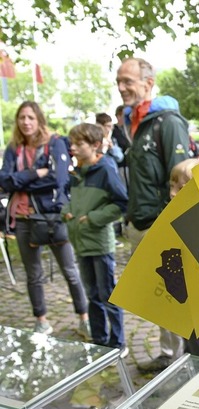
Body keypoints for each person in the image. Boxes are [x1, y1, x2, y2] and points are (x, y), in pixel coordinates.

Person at [116, 57, 192, 373]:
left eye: (128, 81)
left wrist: (171, 226)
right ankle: (167, 354)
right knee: (157, 296)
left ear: (148, 83)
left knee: (175, 296)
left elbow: (182, 177)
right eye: (118, 82)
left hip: (162, 226)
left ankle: (185, 360)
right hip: (140, 224)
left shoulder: (167, 122)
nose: (121, 88)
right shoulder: (131, 121)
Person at [0, 101, 90, 337]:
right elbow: (5, 181)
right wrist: (34, 173)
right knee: (33, 274)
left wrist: (23, 180)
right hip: (22, 218)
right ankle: (41, 320)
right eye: (22, 118)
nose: (26, 122)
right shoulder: (13, 148)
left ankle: (84, 317)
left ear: (39, 119)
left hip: (53, 216)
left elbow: (58, 179)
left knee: (70, 270)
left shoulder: (55, 143)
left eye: (30, 117)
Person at [63, 123, 129, 356]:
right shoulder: (76, 171)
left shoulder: (105, 169)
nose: (73, 148)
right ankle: (100, 341)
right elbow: (67, 197)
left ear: (95, 145)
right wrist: (66, 211)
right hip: (81, 242)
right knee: (92, 295)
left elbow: (121, 202)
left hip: (99, 242)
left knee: (108, 294)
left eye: (79, 144)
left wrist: (92, 219)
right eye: (72, 143)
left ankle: (118, 343)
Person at [169, 158, 199, 359]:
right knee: (190, 340)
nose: (172, 193)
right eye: (171, 186)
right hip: (184, 292)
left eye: (180, 188)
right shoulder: (178, 215)